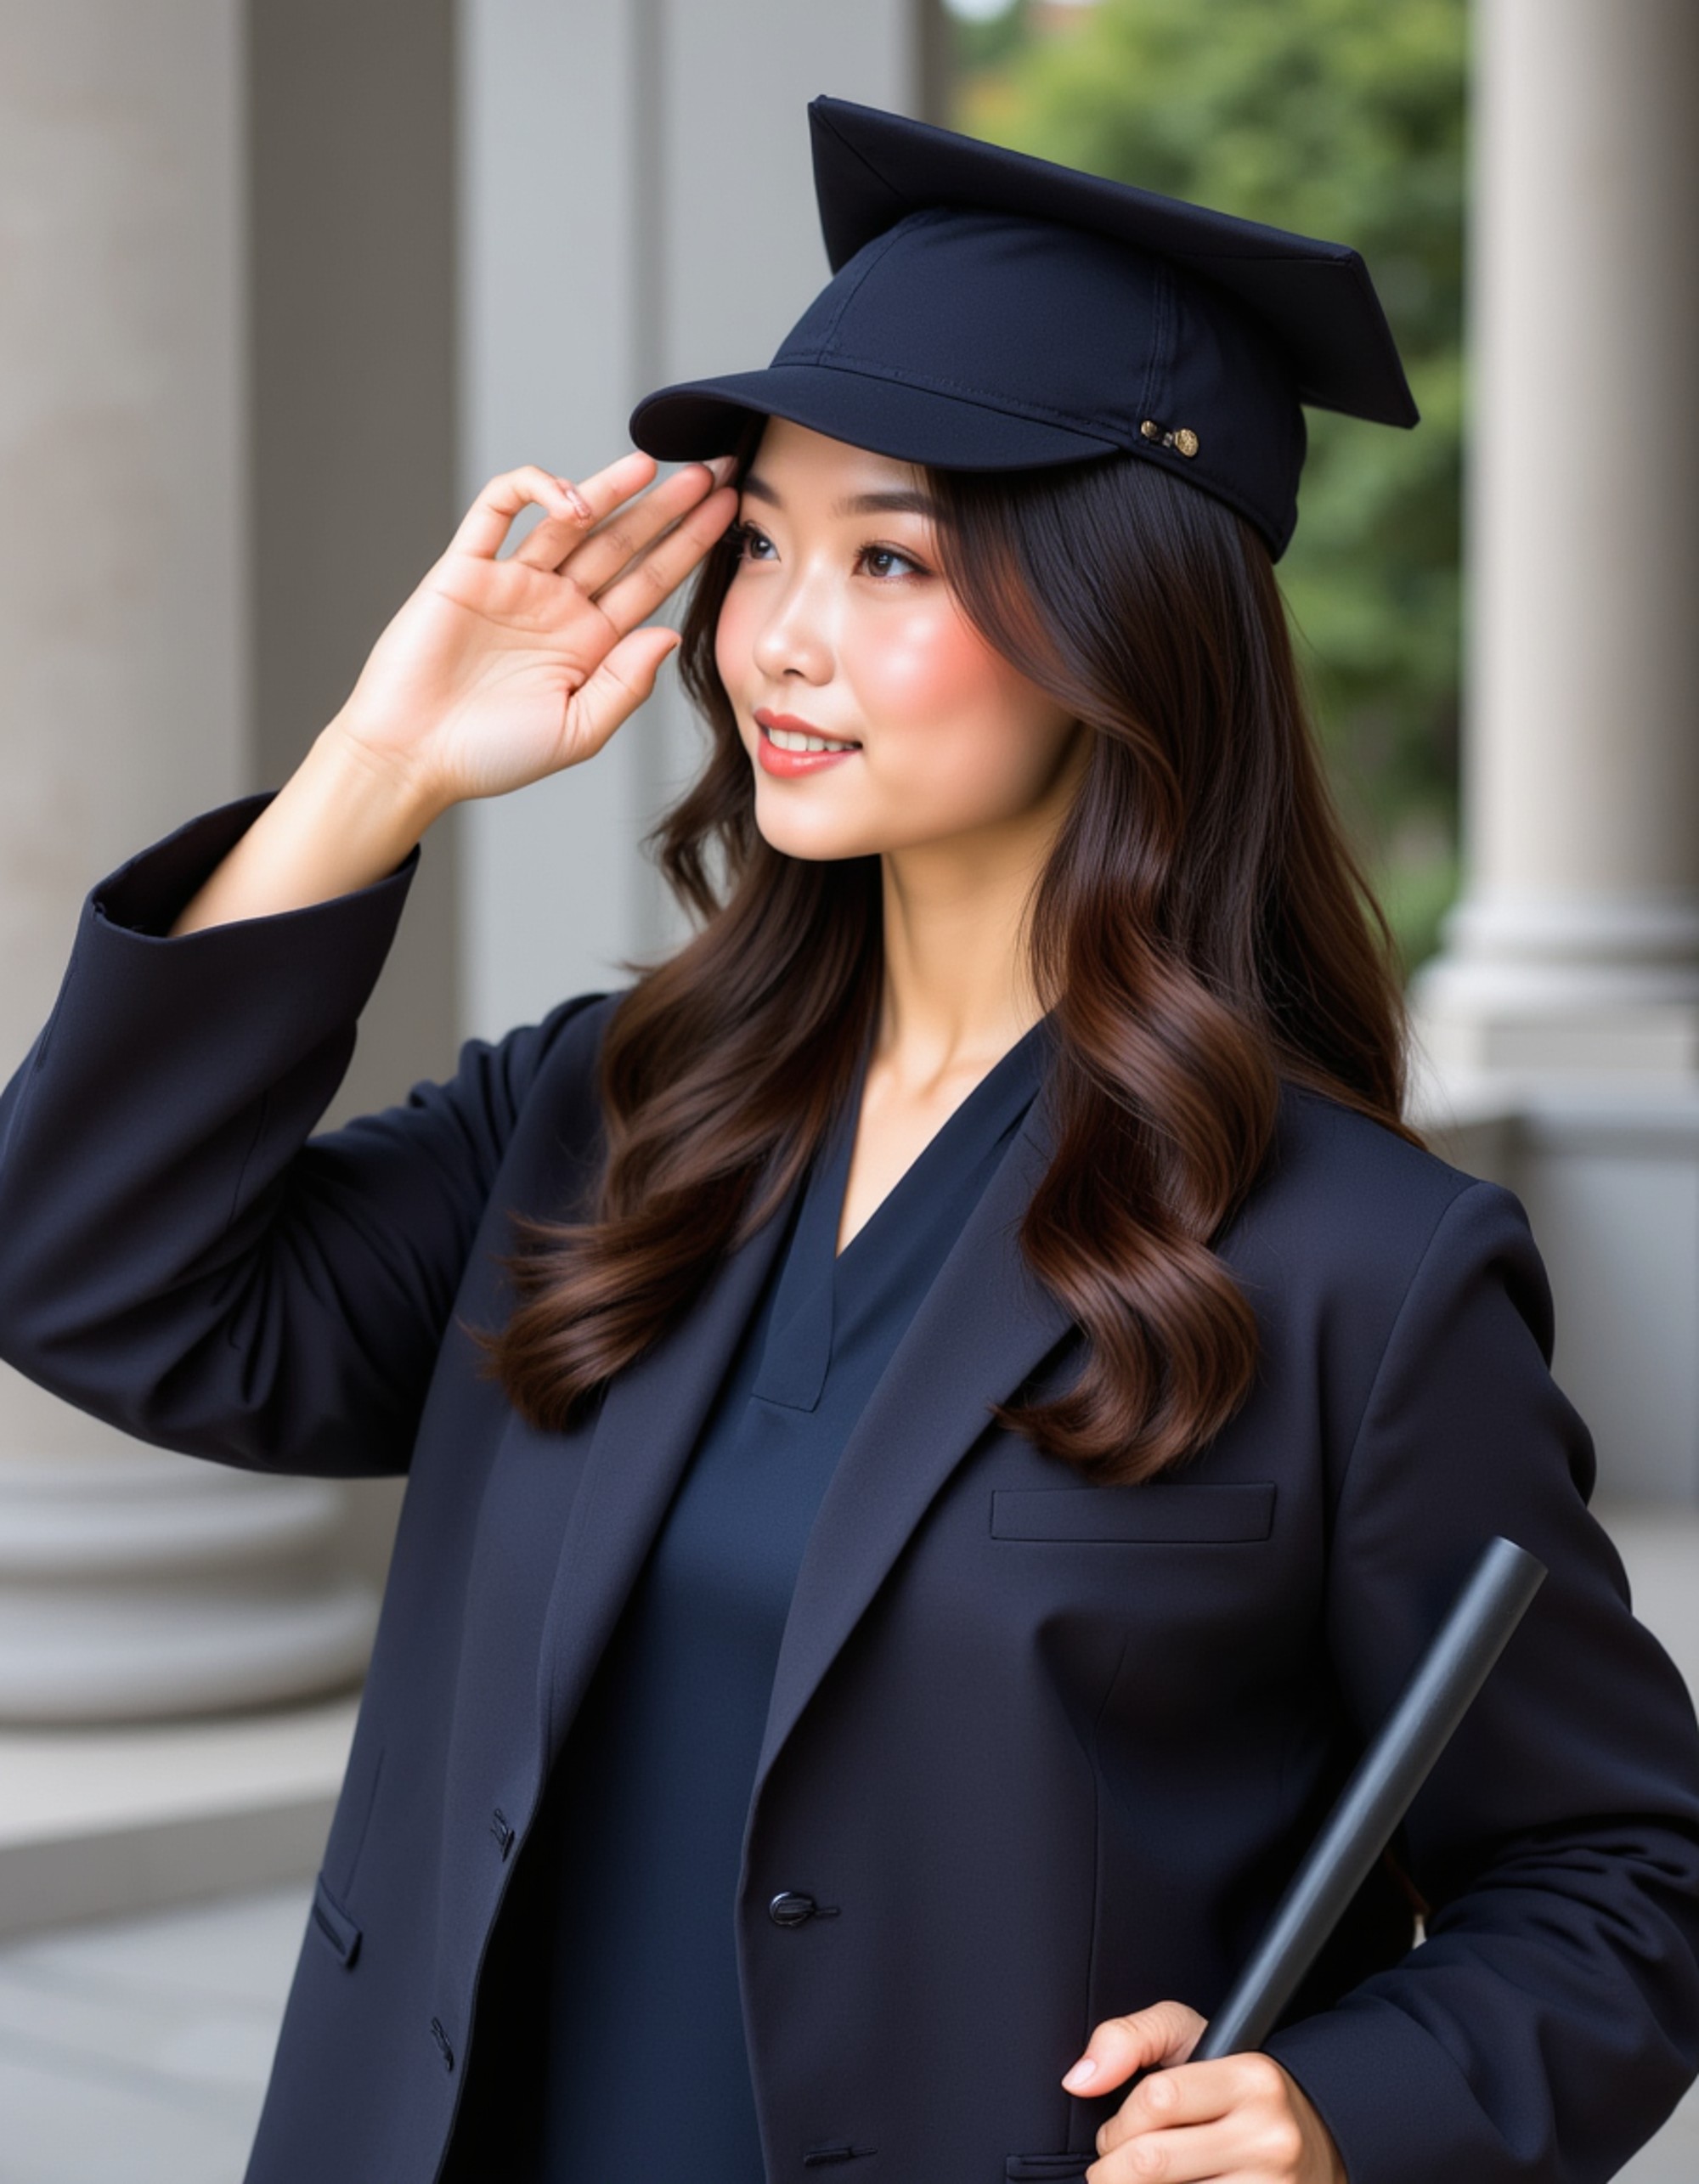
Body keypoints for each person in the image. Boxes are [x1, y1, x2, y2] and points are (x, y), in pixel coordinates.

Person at [1, 93, 1696, 2184]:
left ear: (1119, 626)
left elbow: (1615, 1871)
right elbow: (95, 1272)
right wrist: (377, 767)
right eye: (765, 547)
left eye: (889, 557)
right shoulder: (602, 1113)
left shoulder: (1359, 1264)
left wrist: (1337, 2108)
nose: (777, 637)